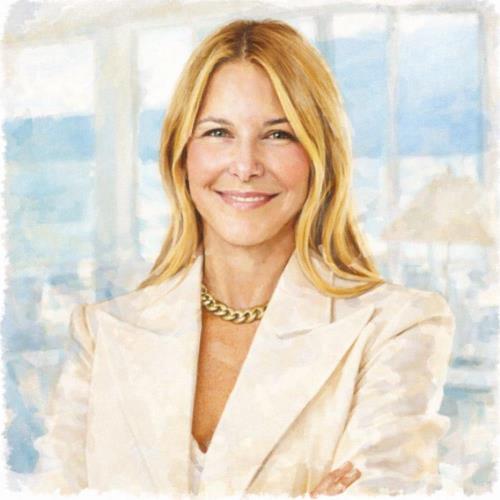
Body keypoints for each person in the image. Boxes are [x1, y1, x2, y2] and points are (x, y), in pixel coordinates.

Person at [28, 19, 455, 497]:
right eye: (218, 132)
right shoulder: (103, 334)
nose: (246, 165)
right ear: (181, 156)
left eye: (278, 135)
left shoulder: (396, 327)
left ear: (320, 155)